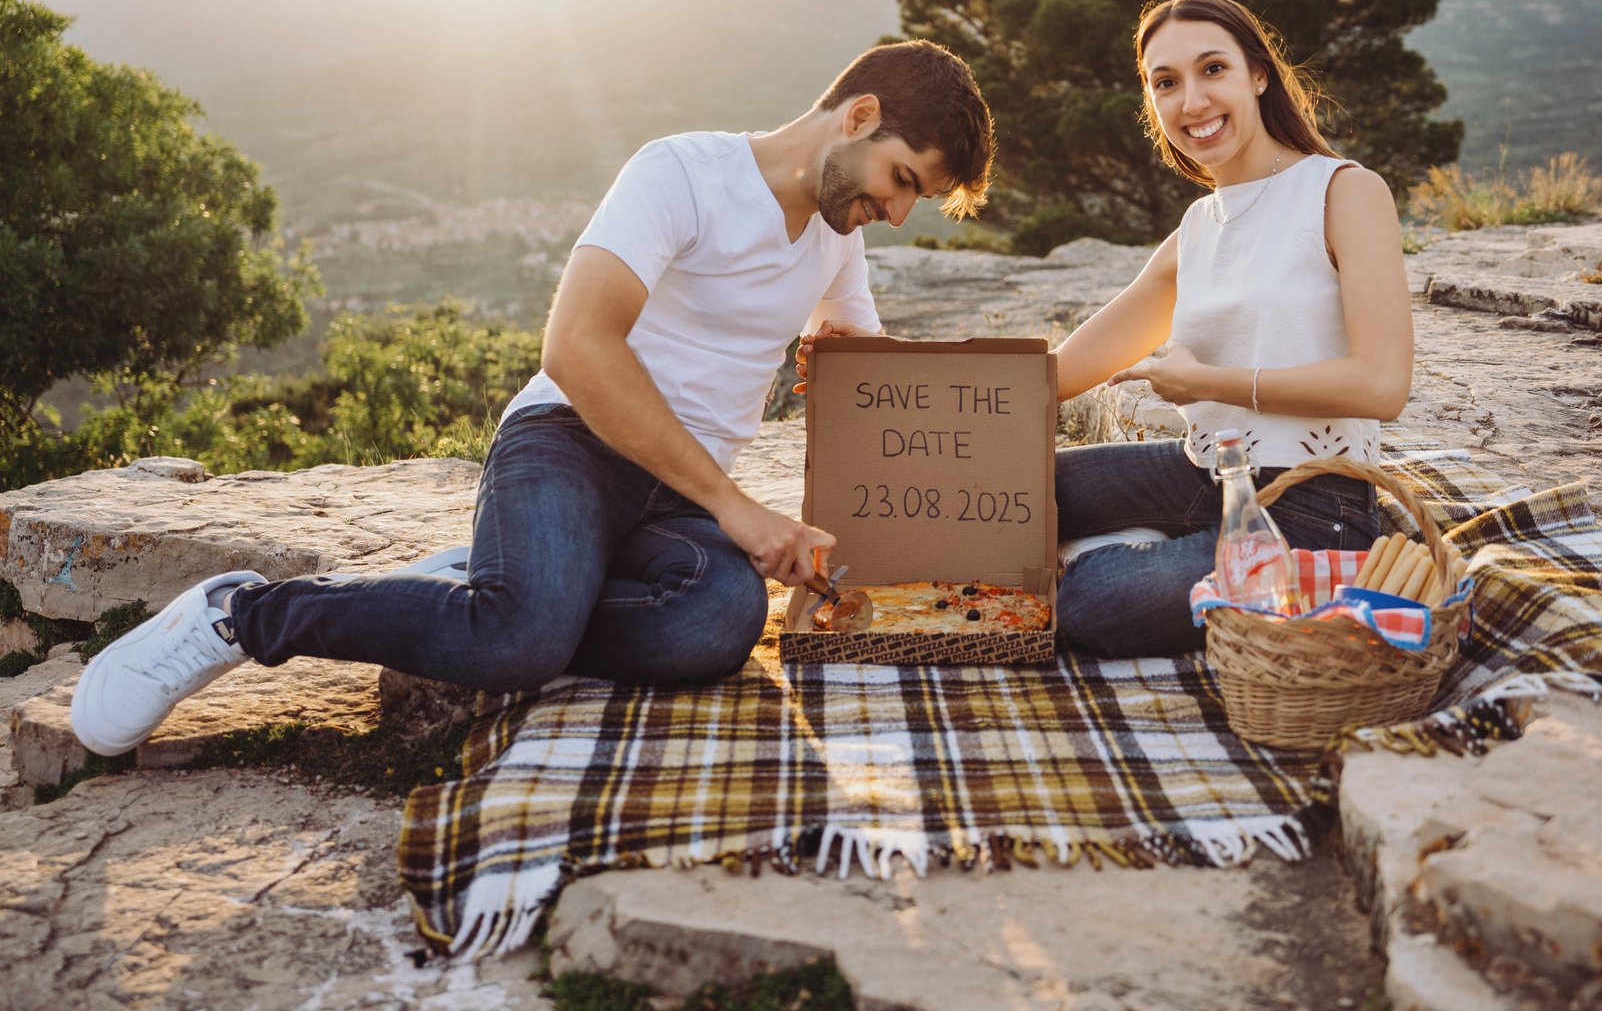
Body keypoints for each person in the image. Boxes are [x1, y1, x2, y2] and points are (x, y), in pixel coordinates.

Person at [71, 40, 995, 757]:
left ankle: (491, 590)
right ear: (858, 116)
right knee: (519, 644)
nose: (898, 212)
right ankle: (244, 614)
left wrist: (858, 365)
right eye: (901, 180)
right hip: (571, 443)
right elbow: (578, 348)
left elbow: (867, 367)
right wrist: (734, 507)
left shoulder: (836, 235)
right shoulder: (682, 173)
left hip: (677, 496)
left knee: (718, 623)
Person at [1051, 0, 1413, 658]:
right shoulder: (1196, 227)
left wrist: (1208, 383)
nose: (1192, 100)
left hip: (1316, 506)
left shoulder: (1344, 191)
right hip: (1205, 472)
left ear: (1258, 75)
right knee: (1027, 488)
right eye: (1166, 82)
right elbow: (1063, 371)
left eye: (1212, 69)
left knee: (1094, 600)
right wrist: (928, 379)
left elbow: (1382, 384)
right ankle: (1187, 554)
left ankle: (1172, 561)